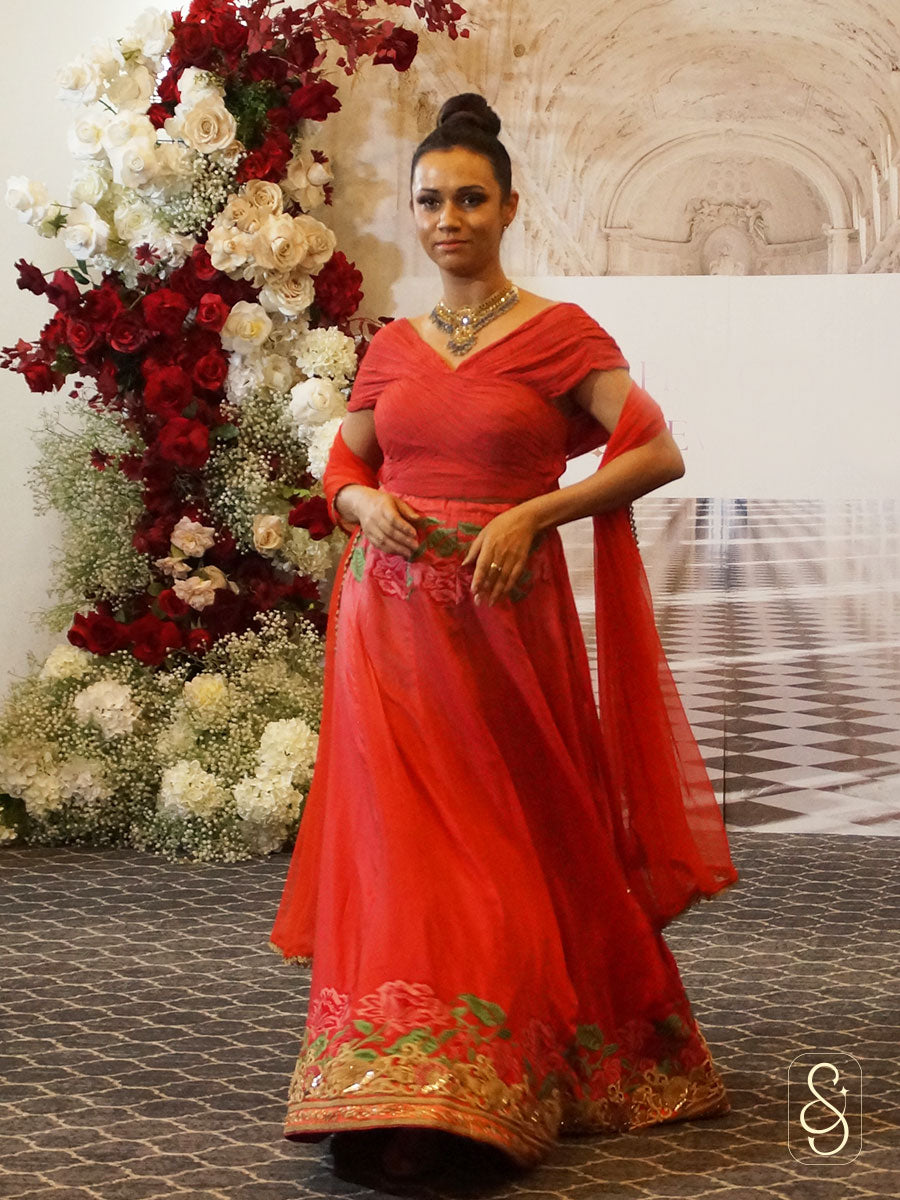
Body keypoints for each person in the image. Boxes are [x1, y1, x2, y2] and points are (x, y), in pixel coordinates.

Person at [269, 91, 739, 1183]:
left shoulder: (562, 336)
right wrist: (359, 508)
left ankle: (500, 1067)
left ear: (510, 206)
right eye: (430, 200)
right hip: (384, 624)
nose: (448, 219)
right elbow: (344, 466)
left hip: (502, 626)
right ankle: (404, 1083)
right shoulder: (389, 346)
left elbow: (654, 453)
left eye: (470, 198)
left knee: (502, 841)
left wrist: (536, 512)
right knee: (403, 850)